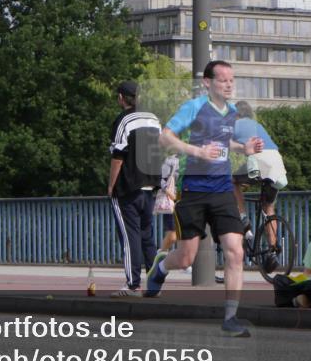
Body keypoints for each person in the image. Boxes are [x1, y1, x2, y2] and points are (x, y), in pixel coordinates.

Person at [144, 60, 263, 338]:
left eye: (232, 80)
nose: (229, 84)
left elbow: (224, 143)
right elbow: (165, 138)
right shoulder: (194, 107)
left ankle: (230, 317)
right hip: (194, 190)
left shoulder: (232, 112)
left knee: (236, 251)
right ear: (208, 83)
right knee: (186, 259)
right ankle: (161, 266)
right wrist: (197, 152)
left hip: (222, 189)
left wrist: (243, 148)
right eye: (223, 80)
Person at [107, 81, 163, 298]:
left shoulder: (123, 121)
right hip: (151, 184)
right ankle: (153, 285)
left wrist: (111, 185)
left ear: (122, 97)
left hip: (128, 186)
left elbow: (118, 156)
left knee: (129, 236)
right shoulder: (154, 118)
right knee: (147, 235)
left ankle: (133, 285)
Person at [231, 100, 288, 268]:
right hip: (276, 163)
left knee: (232, 180)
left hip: (259, 160)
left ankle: (242, 218)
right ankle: (272, 249)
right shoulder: (257, 125)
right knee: (268, 207)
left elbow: (227, 148)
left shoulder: (236, 125)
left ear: (237, 114)